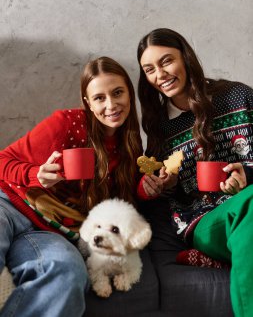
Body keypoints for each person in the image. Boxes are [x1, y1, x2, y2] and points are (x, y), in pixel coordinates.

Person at [0, 56, 142, 317]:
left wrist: (153, 187)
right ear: (88, 103)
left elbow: (124, 203)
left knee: (69, 273)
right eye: (99, 98)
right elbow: (2, 160)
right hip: (10, 203)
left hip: (51, 231)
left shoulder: (130, 147)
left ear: (130, 95)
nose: (111, 104)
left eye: (118, 93)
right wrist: (35, 175)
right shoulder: (67, 123)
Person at [136, 28, 253, 317]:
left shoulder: (238, 96)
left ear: (186, 59)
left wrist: (248, 174)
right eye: (149, 69)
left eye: (166, 62)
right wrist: (167, 183)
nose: (159, 74)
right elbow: (169, 189)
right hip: (203, 220)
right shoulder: (160, 128)